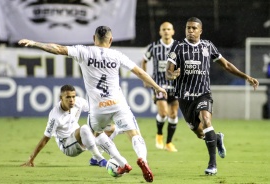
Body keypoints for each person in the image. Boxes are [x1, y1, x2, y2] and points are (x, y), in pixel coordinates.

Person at [18, 26, 168, 182]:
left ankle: (121, 162)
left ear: (93, 39)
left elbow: (57, 49)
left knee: (94, 135)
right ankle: (142, 158)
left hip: (98, 108)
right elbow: (140, 72)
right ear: (110, 40)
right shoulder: (116, 55)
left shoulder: (84, 51)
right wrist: (157, 87)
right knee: (133, 133)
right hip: (118, 103)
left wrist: (35, 43)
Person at [165, 17, 259, 175]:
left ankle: (212, 165)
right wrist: (173, 74)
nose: (190, 31)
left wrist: (246, 77)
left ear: (200, 30)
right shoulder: (177, 48)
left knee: (206, 120)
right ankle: (217, 138)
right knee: (199, 132)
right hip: (184, 97)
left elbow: (227, 65)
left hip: (203, 94)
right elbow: (168, 71)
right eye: (188, 28)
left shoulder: (208, 46)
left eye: (194, 28)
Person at [21, 85, 107, 167]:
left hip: (80, 137)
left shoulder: (78, 102)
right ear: (61, 98)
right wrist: (31, 158)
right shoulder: (55, 116)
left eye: (73, 96)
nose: (72, 100)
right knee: (84, 128)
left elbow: (95, 109)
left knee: (110, 128)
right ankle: (101, 159)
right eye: (68, 97)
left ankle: (95, 159)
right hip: (67, 146)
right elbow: (45, 138)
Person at [141, 22, 179, 152]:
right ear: (160, 32)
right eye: (164, 29)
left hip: (175, 86)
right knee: (163, 113)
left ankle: (169, 143)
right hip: (159, 85)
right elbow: (144, 60)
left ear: (173, 31)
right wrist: (145, 78)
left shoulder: (178, 47)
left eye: (169, 29)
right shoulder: (154, 47)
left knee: (173, 115)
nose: (166, 31)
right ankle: (159, 135)